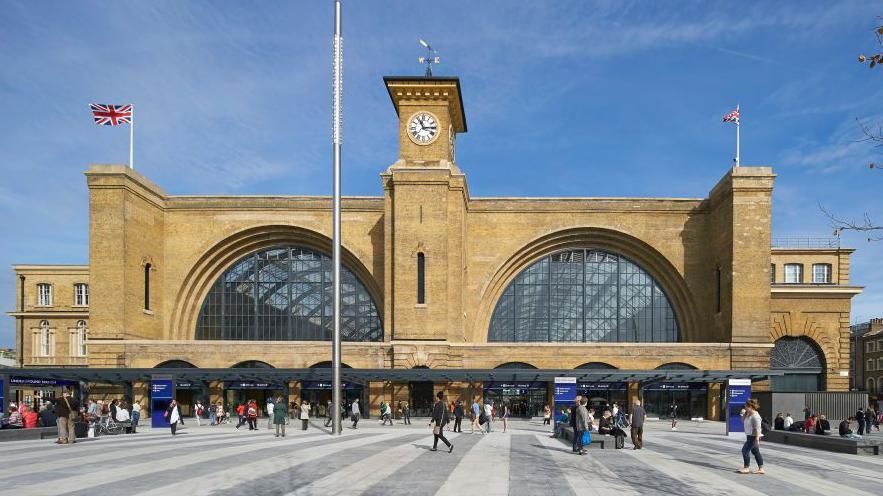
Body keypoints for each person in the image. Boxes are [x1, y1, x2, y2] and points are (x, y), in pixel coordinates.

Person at [738, 398, 764, 475]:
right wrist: (744, 414)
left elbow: (758, 429)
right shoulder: (748, 414)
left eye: (746, 406)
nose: (745, 408)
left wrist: (757, 440)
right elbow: (742, 421)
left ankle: (746, 467)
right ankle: (761, 468)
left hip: (754, 436)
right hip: (749, 436)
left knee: (745, 450)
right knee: (755, 452)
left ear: (751, 407)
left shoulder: (756, 416)